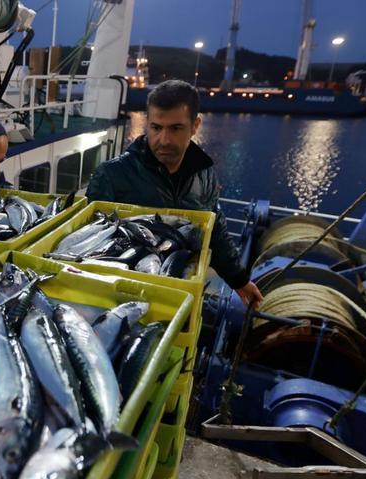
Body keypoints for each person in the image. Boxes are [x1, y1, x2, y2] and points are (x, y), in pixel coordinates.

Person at [86, 80, 263, 308]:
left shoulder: (205, 173)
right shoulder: (111, 174)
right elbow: (93, 240)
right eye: (156, 128)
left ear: (195, 125)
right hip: (121, 296)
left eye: (176, 128)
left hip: (181, 291)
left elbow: (215, 229)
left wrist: (239, 280)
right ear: (147, 124)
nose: (164, 140)